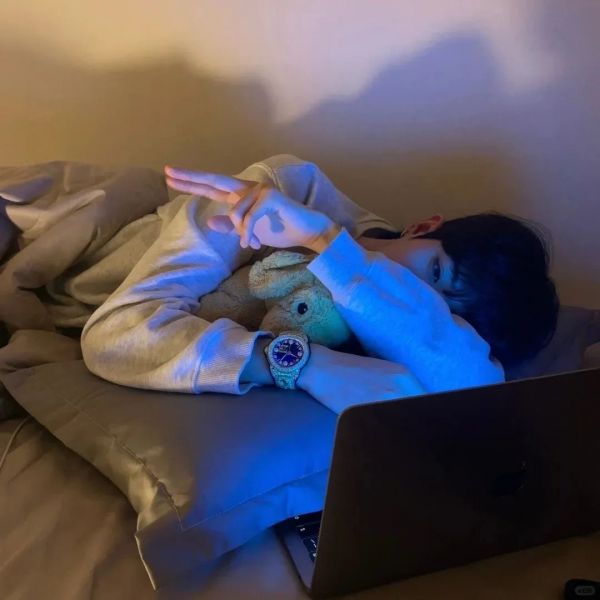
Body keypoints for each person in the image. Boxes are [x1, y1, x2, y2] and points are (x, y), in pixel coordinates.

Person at [80, 155, 558, 414]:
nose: (409, 294)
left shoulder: (410, 335)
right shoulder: (285, 190)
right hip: (83, 258)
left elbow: (474, 387)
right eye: (434, 273)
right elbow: (114, 333)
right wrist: (322, 240)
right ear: (422, 227)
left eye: (440, 313)